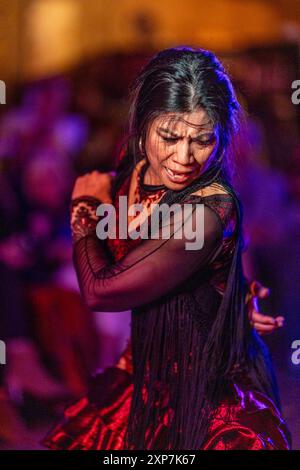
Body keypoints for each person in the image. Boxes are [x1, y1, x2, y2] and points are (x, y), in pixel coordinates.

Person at [42, 46, 291, 450]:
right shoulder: (134, 166)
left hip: (206, 403)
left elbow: (100, 291)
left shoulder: (209, 209)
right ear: (142, 127)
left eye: (203, 139)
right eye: (170, 137)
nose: (184, 157)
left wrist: (84, 210)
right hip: (140, 381)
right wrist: (234, 295)